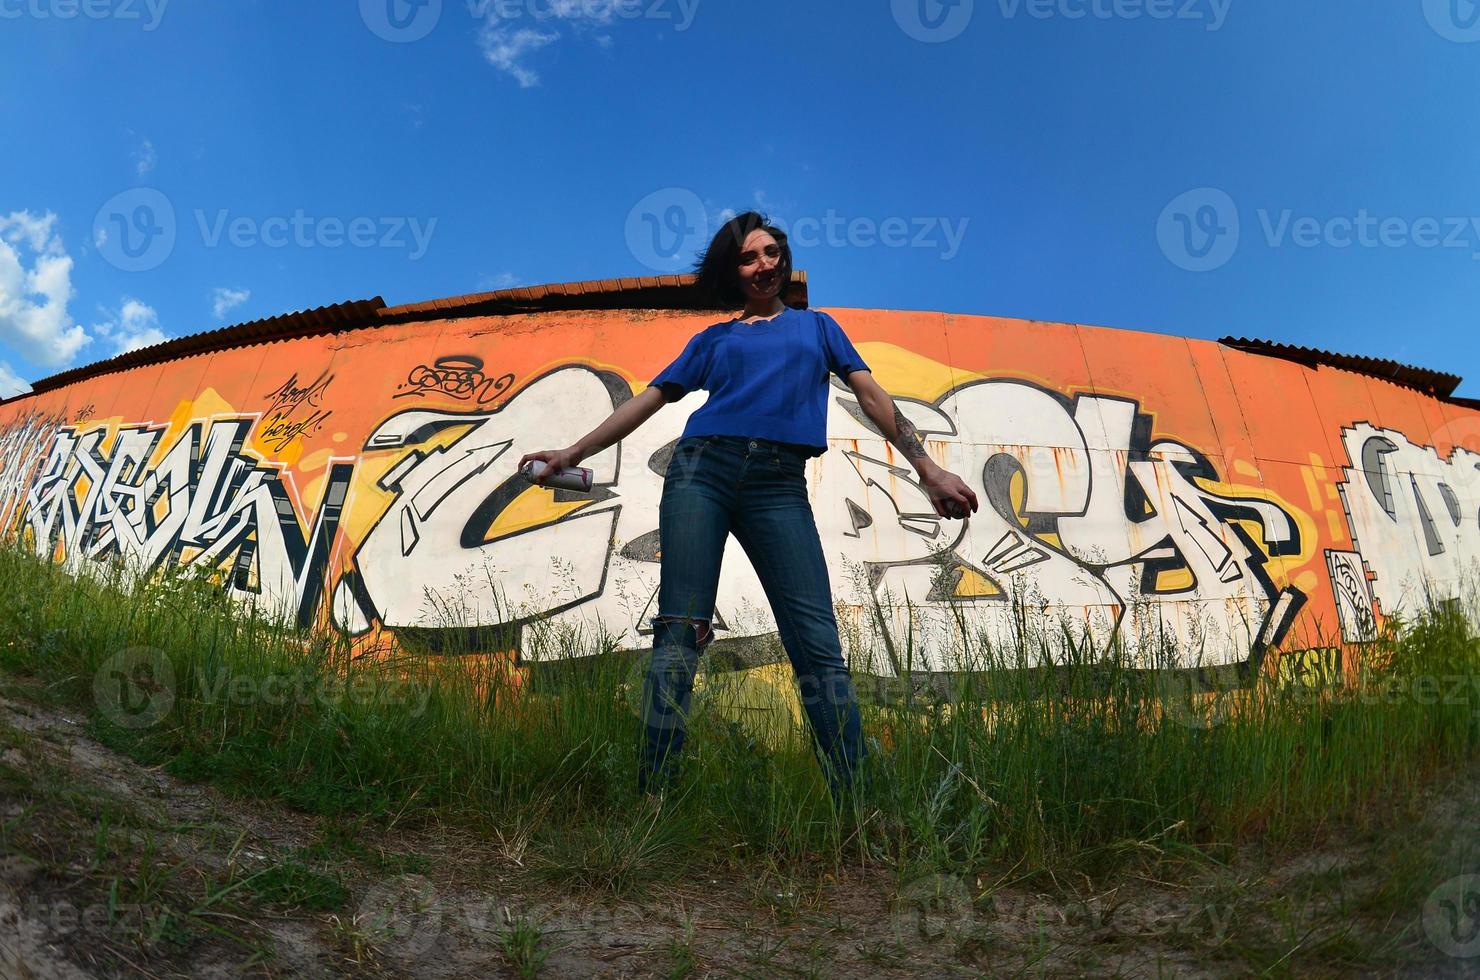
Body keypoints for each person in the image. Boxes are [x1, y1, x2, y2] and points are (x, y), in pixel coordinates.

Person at [518, 211, 978, 800]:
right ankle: (653, 800)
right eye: (748, 258)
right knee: (680, 631)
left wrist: (929, 469)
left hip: (779, 486)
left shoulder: (818, 328)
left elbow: (871, 395)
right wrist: (571, 451)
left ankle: (862, 804)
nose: (764, 265)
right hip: (700, 473)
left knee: (816, 642)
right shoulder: (713, 340)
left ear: (784, 261)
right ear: (732, 272)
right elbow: (650, 400)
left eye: (771, 253)